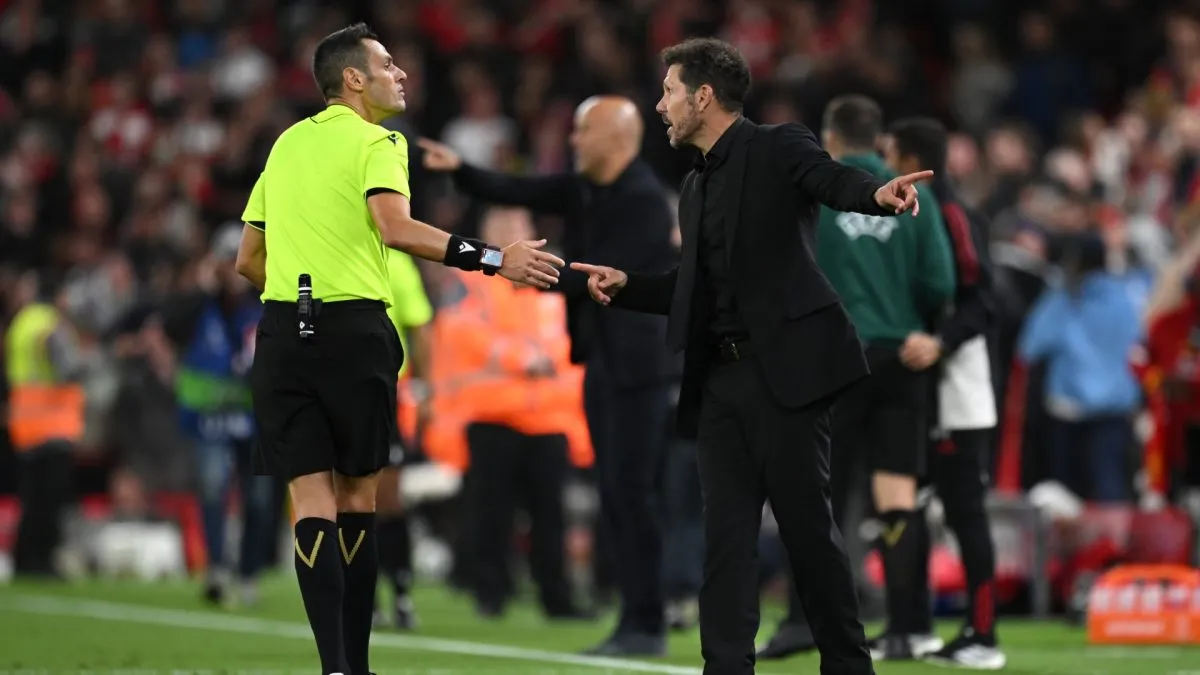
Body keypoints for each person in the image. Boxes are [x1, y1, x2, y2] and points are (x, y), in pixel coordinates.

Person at [570, 38, 931, 675]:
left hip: (785, 376)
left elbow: (833, 180)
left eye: (669, 91)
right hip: (720, 383)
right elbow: (691, 285)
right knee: (725, 543)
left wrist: (876, 195)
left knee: (807, 533)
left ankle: (849, 666)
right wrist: (628, 286)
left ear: (703, 96)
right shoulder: (694, 184)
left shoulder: (780, 145)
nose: (660, 106)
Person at [234, 23, 563, 675]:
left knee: (311, 499)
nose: (401, 73)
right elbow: (394, 226)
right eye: (387, 64)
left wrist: (304, 289)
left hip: (282, 331)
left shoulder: (287, 143)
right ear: (353, 79)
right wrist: (496, 258)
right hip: (353, 333)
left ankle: (331, 667)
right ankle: (357, 666)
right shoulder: (380, 141)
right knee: (361, 498)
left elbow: (249, 260)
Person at [419, 95, 677, 656]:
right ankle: (636, 618)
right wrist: (460, 170)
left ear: (617, 140)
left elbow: (605, 281)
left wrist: (525, 271)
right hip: (603, 364)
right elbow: (520, 190)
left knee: (632, 497)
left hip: (639, 370)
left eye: (585, 133)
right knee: (617, 497)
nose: (574, 142)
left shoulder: (643, 203)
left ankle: (647, 620)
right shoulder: (588, 188)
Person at [757, 97, 956, 663]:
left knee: (816, 497)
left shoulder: (817, 188)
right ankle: (905, 627)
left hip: (833, 362)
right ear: (880, 138)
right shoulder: (914, 192)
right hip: (900, 361)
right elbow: (940, 284)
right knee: (896, 497)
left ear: (831, 138)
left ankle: (804, 622)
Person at [884, 117, 1007, 669]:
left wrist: (938, 343)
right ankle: (912, 626)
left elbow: (983, 303)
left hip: (959, 387)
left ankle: (983, 635)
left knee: (964, 512)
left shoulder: (954, 216)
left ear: (912, 158)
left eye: (891, 156)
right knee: (909, 507)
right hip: (924, 386)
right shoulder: (915, 215)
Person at [436, 206, 593, 619]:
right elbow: (458, 330)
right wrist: (519, 356)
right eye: (503, 227)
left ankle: (555, 597)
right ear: (487, 234)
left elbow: (569, 334)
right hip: (494, 414)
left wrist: (542, 358)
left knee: (550, 516)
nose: (513, 233)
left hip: (547, 417)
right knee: (491, 514)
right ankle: (491, 592)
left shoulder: (552, 278)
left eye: (518, 225)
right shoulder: (469, 278)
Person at [160, 226, 272, 608]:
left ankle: (249, 571)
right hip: (210, 412)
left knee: (258, 497)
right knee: (212, 486)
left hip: (254, 412)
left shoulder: (264, 298)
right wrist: (203, 288)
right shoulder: (199, 305)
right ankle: (217, 568)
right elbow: (170, 324)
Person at [372, 246, 434, 631]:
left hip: (386, 391)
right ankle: (369, 596)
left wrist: (425, 388)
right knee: (349, 499)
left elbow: (420, 325)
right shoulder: (337, 252)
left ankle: (401, 590)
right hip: (339, 388)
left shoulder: (397, 262)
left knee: (388, 499)